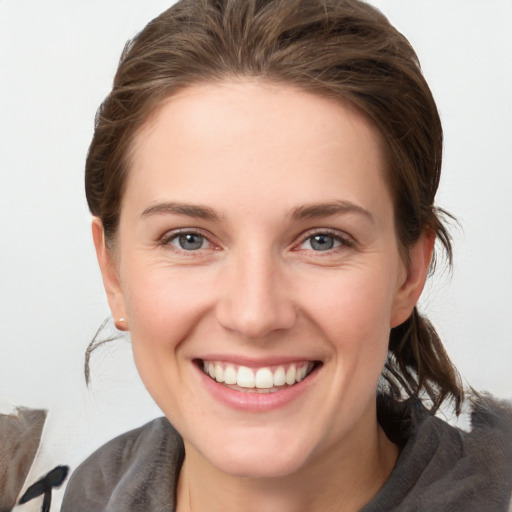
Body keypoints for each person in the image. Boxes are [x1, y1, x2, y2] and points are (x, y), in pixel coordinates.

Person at [60, 0, 512, 510]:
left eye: (323, 240)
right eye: (189, 239)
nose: (254, 316)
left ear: (409, 272)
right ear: (113, 272)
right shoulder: (76, 493)